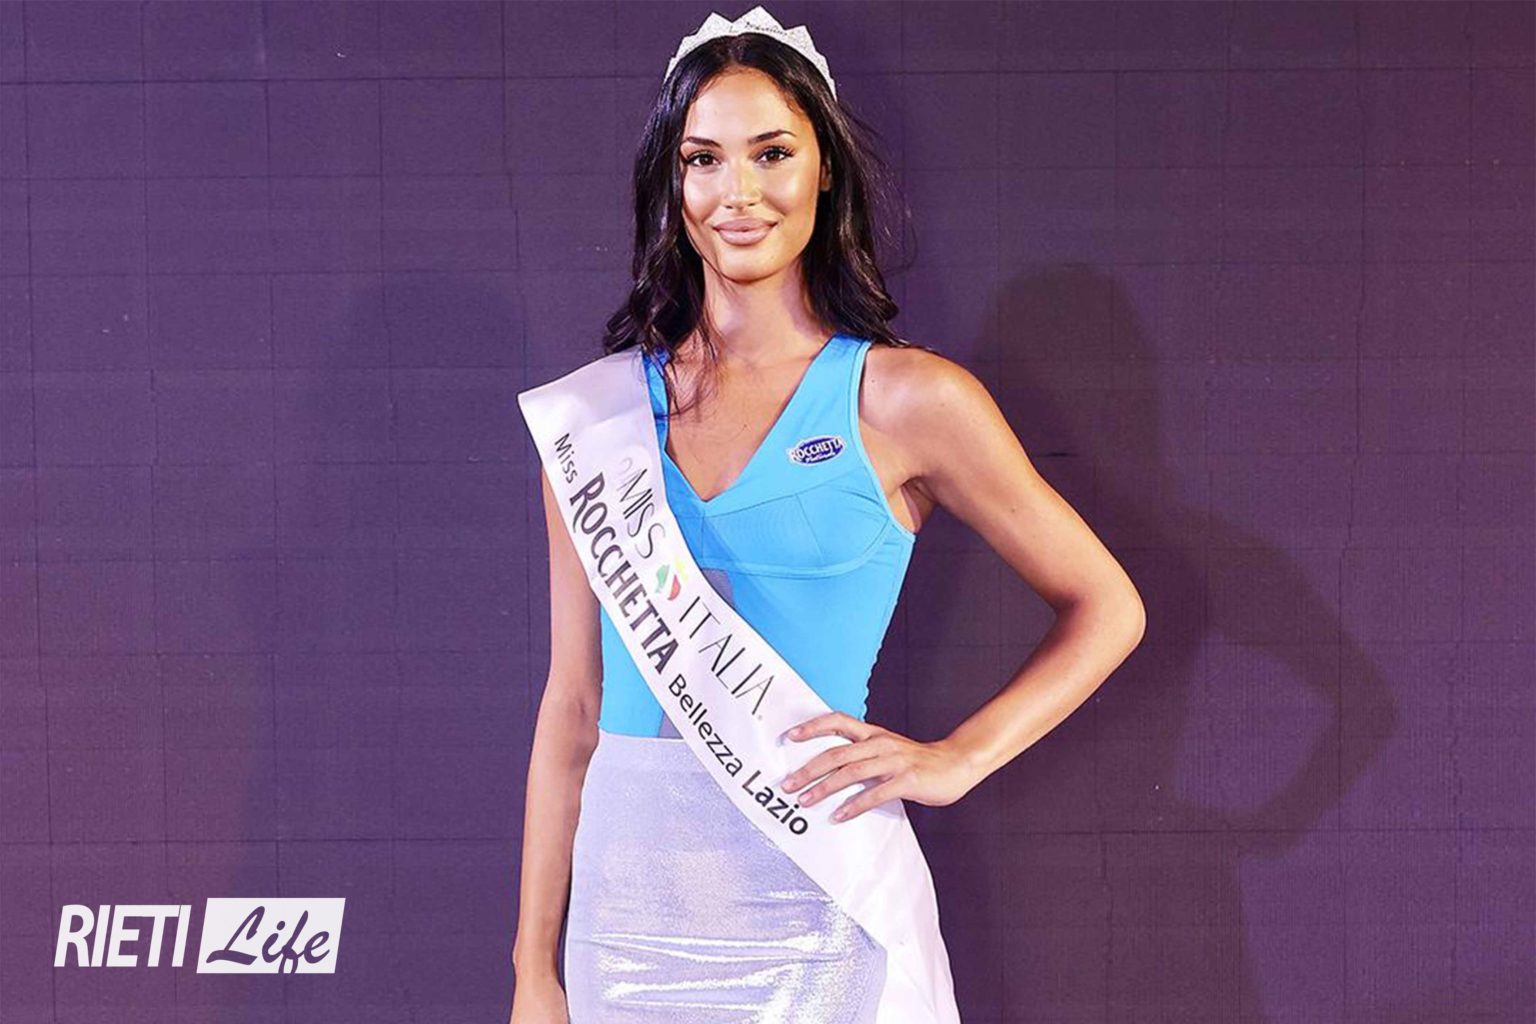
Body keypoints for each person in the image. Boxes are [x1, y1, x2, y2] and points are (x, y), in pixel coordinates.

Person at [510, 7, 1146, 1023]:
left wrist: (957, 759)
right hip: (622, 924)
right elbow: (574, 709)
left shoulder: (906, 401)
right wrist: (532, 969)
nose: (738, 192)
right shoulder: (599, 422)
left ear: (825, 173)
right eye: (704, 159)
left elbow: (1108, 606)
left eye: (772, 153)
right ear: (672, 186)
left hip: (815, 905)